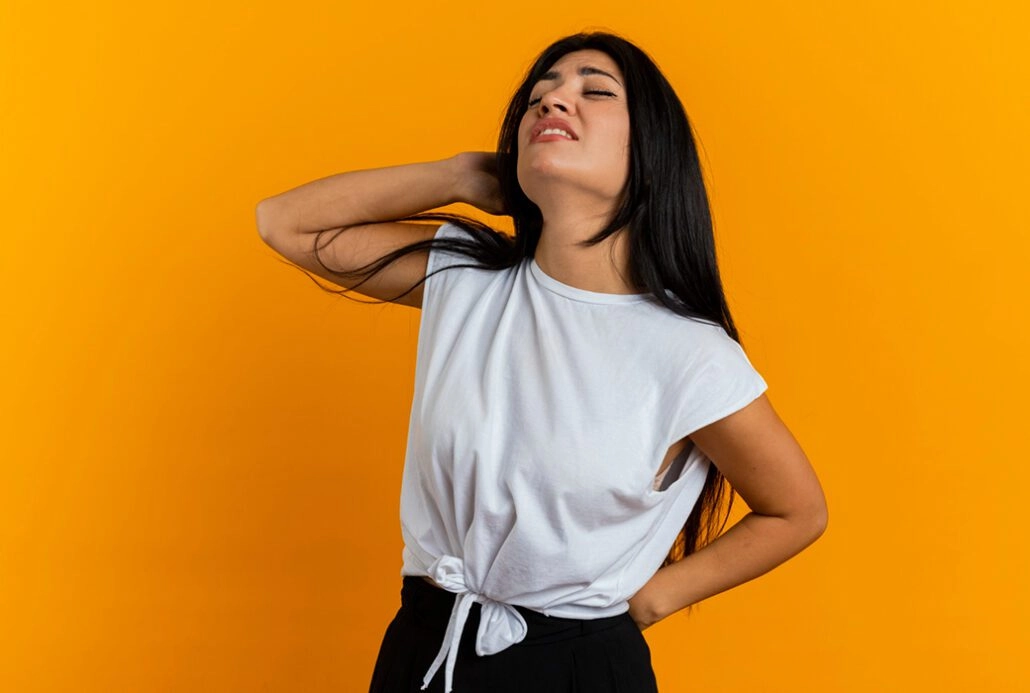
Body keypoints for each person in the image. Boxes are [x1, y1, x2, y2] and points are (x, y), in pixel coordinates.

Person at [256, 30, 828, 693]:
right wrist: (459, 176)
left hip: (575, 666)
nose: (554, 100)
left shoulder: (688, 353)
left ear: (650, 153)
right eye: (540, 94)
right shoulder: (465, 278)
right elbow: (285, 224)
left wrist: (648, 601)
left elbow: (797, 509)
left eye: (595, 90)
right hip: (425, 646)